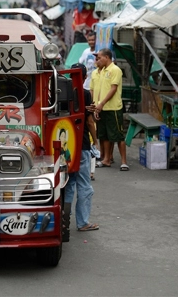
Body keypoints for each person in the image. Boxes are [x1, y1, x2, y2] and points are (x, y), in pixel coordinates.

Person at [65, 63, 99, 232]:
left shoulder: (61, 93)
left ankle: (64, 222)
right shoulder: (85, 94)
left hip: (66, 146)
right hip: (82, 144)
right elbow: (90, 121)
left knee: (69, 184)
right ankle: (83, 222)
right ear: (84, 77)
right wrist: (95, 140)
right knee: (84, 185)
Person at [91, 48, 128, 171]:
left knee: (118, 135)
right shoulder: (100, 72)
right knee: (104, 135)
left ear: (107, 57)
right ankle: (106, 159)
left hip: (113, 108)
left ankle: (124, 162)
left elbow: (113, 89)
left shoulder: (115, 70)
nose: (98, 60)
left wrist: (102, 103)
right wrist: (96, 106)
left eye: (100, 57)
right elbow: (96, 90)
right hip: (101, 108)